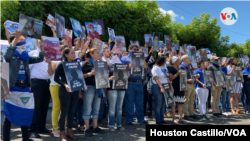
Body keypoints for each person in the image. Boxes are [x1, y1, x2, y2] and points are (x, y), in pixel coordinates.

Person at [2, 30, 45, 141]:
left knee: (24, 113)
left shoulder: (25, 56)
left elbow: (39, 58)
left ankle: (25, 138)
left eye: (24, 40)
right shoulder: (8, 53)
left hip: (25, 87)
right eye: (20, 40)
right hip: (11, 88)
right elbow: (6, 56)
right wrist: (15, 39)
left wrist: (42, 47)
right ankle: (6, 139)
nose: (23, 42)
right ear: (14, 41)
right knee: (8, 115)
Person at [54, 47, 83, 141]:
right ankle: (62, 134)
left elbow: (79, 77)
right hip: (64, 91)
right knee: (64, 112)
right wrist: (65, 84)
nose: (74, 55)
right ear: (66, 55)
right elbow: (56, 78)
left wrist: (83, 85)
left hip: (74, 90)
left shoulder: (76, 64)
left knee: (71, 111)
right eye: (72, 53)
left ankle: (69, 131)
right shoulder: (61, 64)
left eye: (74, 53)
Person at [121, 44, 148, 125]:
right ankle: (129, 119)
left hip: (139, 82)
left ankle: (140, 119)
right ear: (129, 49)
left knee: (140, 102)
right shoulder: (124, 58)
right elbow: (120, 71)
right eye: (134, 49)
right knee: (130, 102)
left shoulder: (140, 57)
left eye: (137, 49)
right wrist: (128, 67)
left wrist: (142, 57)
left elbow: (146, 68)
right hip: (130, 83)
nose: (135, 51)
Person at [29, 49, 53, 138]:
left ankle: (41, 127)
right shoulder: (32, 53)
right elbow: (29, 68)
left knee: (44, 106)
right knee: (36, 107)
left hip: (47, 82)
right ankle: (32, 129)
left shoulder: (51, 53)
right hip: (36, 82)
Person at [81, 48, 105, 137]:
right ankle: (87, 128)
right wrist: (90, 74)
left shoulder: (100, 64)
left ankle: (95, 127)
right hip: (89, 88)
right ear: (91, 54)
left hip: (98, 87)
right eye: (97, 53)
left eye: (99, 53)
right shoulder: (86, 64)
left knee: (96, 108)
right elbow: (79, 76)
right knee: (87, 108)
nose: (99, 54)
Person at [106, 57, 128, 131]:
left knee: (119, 108)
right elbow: (104, 77)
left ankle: (119, 124)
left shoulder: (123, 66)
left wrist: (127, 73)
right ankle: (111, 125)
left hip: (121, 88)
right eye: (114, 55)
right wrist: (109, 78)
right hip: (112, 89)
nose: (116, 57)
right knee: (112, 108)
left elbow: (127, 77)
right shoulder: (108, 66)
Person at [151, 54, 174, 125]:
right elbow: (156, 79)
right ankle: (158, 120)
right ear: (161, 60)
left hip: (166, 86)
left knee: (163, 104)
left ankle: (162, 119)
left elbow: (167, 78)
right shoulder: (155, 68)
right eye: (164, 60)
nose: (166, 61)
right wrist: (161, 87)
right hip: (157, 87)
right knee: (158, 104)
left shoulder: (164, 67)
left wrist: (171, 87)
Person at [179, 55, 199, 120]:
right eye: (188, 58)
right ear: (184, 59)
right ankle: (186, 114)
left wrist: (194, 76)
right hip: (187, 84)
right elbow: (181, 78)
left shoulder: (188, 66)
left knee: (192, 100)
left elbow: (189, 75)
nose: (189, 59)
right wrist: (188, 80)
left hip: (192, 84)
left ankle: (191, 113)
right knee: (186, 100)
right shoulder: (182, 66)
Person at [168, 56, 187, 124]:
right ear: (175, 61)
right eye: (178, 61)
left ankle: (180, 118)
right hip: (174, 87)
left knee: (180, 103)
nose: (180, 62)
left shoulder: (179, 68)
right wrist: (177, 74)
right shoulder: (171, 68)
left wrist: (185, 87)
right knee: (173, 104)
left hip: (180, 88)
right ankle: (174, 118)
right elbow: (170, 78)